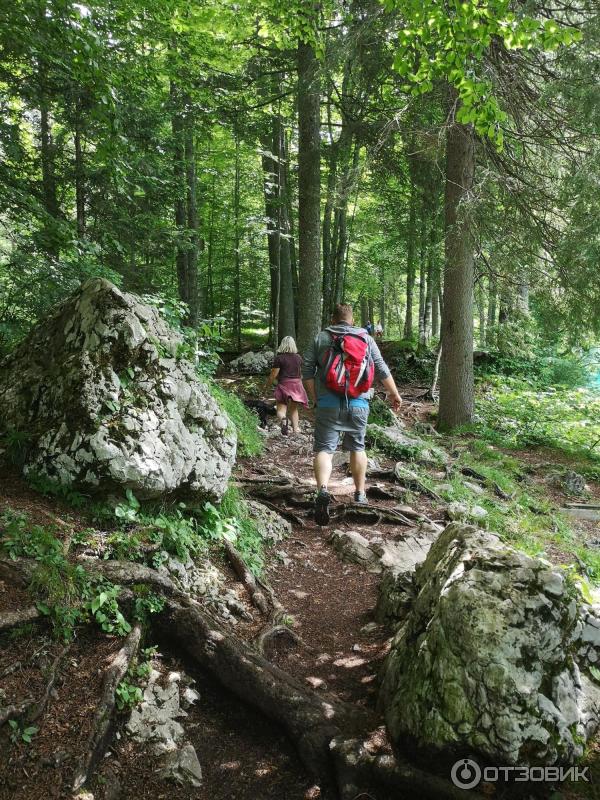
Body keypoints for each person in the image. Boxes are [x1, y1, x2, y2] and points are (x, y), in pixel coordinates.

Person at [302, 303, 402, 525]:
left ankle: (322, 491)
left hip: (327, 404)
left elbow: (307, 370)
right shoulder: (366, 338)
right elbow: (381, 368)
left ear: (332, 319)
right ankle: (360, 494)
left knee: (325, 450)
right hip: (359, 403)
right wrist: (394, 394)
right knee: (357, 447)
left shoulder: (321, 338)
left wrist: (313, 397)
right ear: (352, 320)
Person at [264, 336, 308, 435]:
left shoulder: (279, 358)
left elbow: (273, 375)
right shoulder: (298, 358)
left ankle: (284, 420)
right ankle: (296, 429)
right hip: (297, 385)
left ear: (282, 344)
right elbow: (300, 373)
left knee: (281, 409)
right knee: (293, 409)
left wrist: (267, 386)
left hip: (284, 384)